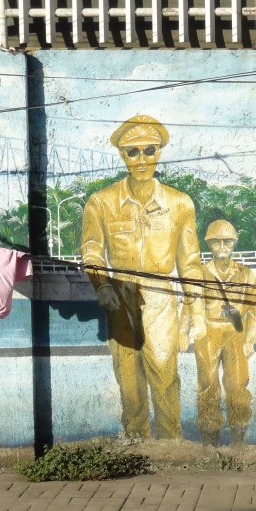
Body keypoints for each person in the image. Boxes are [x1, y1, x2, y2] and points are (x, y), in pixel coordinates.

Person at [80, 114, 206, 440]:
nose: (141, 159)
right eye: (132, 152)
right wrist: (102, 286)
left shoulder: (179, 203)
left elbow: (190, 263)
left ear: (159, 152)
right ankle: (136, 441)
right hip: (119, 296)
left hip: (161, 296)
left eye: (149, 150)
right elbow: (92, 252)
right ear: (122, 155)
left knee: (164, 372)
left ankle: (170, 441)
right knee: (128, 378)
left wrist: (195, 313)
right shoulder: (101, 202)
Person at [180, 221, 256, 445]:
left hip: (236, 333)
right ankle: (210, 440)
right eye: (216, 242)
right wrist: (183, 332)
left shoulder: (245, 274)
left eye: (227, 242)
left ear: (234, 243)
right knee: (207, 386)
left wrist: (250, 340)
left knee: (238, 386)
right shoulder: (200, 273)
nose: (222, 246)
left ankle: (238, 439)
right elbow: (190, 303)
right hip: (208, 332)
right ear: (209, 244)